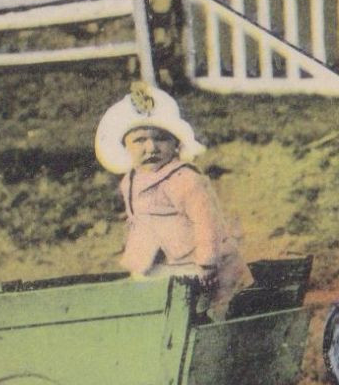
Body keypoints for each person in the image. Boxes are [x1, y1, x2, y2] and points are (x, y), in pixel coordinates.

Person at [94, 81, 247, 307]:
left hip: (190, 262)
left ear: (176, 143)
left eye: (161, 138)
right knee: (144, 299)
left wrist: (207, 262)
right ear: (125, 146)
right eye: (140, 140)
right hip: (154, 260)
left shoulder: (184, 178)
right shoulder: (131, 180)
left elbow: (207, 222)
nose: (151, 148)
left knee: (191, 305)